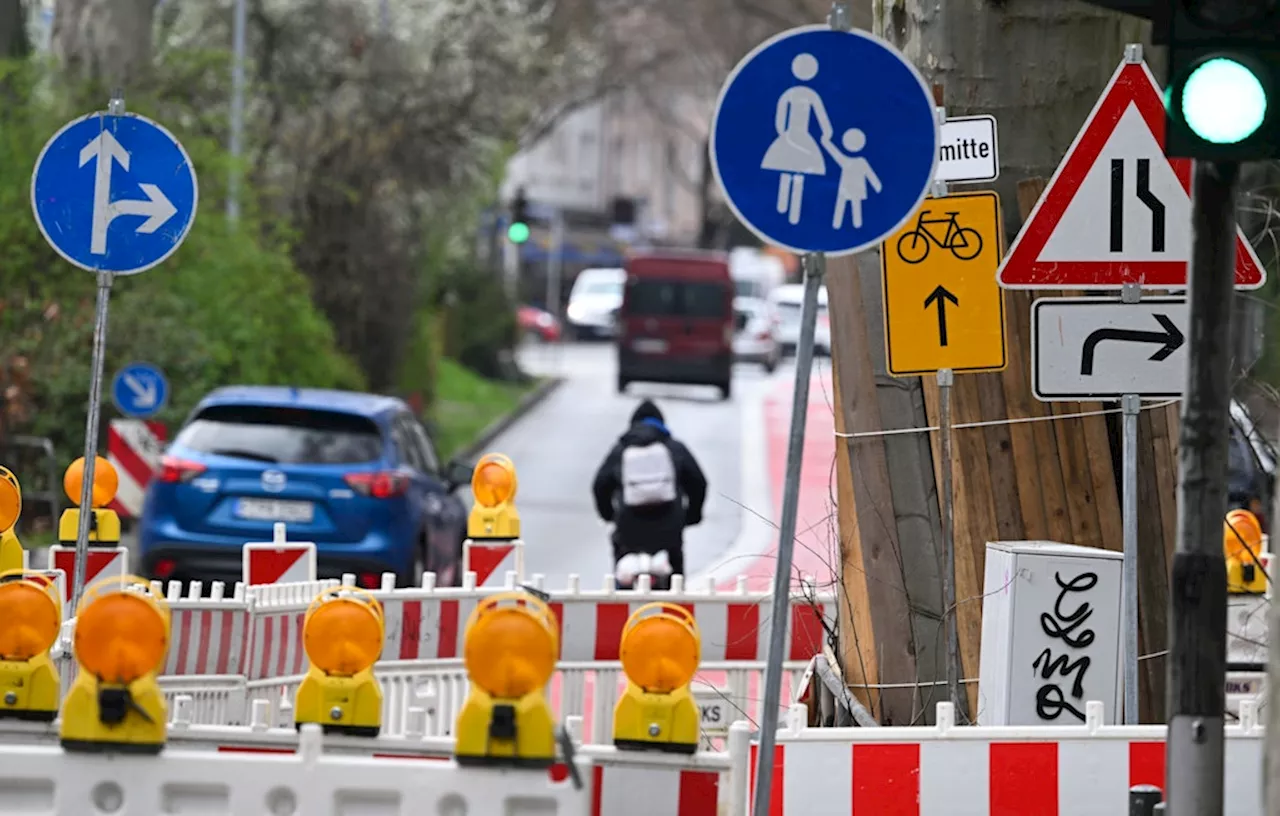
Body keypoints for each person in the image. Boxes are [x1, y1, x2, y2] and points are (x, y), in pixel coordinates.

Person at [592, 399, 707, 587]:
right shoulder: (674, 448)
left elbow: (600, 485)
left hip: (628, 528)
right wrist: (692, 516)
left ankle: (622, 601)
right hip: (669, 528)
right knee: (674, 577)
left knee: (622, 571)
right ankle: (673, 604)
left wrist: (610, 516)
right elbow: (698, 482)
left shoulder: (621, 450)